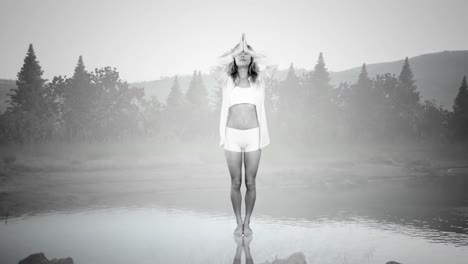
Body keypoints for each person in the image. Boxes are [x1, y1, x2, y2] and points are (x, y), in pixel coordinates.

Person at [210, 33, 278, 237]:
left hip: (254, 137)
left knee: (250, 182)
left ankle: (248, 222)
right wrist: (234, 51)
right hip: (232, 135)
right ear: (233, 58)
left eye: (245, 53)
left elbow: (273, 63)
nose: (242, 55)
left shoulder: (259, 81)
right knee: (235, 182)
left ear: (251, 57)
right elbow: (214, 65)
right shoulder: (226, 80)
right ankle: (238, 222)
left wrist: (248, 50)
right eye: (238, 54)